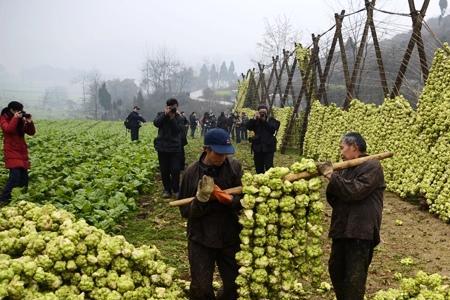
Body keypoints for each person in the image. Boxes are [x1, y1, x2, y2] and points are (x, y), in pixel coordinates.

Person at [318, 132, 385, 300]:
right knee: (336, 269)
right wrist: (334, 180)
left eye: (342, 148)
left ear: (354, 147)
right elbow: (333, 196)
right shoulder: (345, 168)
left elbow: (355, 191)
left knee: (354, 277)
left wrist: (331, 176)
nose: (341, 152)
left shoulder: (372, 166)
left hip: (360, 230)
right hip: (342, 228)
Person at [179, 128, 243, 300]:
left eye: (225, 154)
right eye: (218, 153)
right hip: (201, 237)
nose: (222, 158)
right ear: (206, 149)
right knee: (201, 288)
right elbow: (185, 212)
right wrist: (201, 199)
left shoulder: (234, 168)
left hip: (229, 235)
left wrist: (229, 200)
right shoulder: (191, 174)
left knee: (235, 284)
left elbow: (245, 202)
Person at [0, 101, 36, 204]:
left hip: (21, 151)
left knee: (24, 178)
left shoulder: (19, 119)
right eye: (17, 110)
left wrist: (29, 122)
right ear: (12, 109)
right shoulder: (4, 117)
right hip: (11, 150)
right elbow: (8, 129)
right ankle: (4, 198)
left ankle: (21, 199)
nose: (19, 112)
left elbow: (31, 132)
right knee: (15, 177)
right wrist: (15, 118)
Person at [153, 98, 185, 198]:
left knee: (175, 169)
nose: (172, 110)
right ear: (167, 107)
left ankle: (176, 189)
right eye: (170, 107)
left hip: (175, 147)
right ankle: (167, 189)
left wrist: (172, 118)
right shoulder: (161, 114)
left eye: (174, 107)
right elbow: (156, 123)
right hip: (162, 147)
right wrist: (165, 115)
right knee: (164, 170)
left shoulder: (179, 118)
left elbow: (177, 130)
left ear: (177, 107)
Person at [246, 104, 280, 174]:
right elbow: (248, 127)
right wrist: (254, 118)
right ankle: (260, 179)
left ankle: (270, 179)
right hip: (258, 147)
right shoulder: (255, 120)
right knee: (258, 166)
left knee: (269, 166)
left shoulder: (271, 120)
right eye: (261, 112)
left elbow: (273, 130)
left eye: (264, 112)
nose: (262, 114)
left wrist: (264, 121)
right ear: (258, 112)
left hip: (269, 147)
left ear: (267, 112)